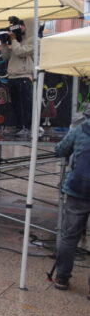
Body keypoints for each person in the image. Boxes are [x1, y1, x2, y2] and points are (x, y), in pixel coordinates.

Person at [52, 113, 90, 296]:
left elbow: (60, 150)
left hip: (78, 189)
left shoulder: (80, 127)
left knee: (69, 236)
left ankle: (62, 277)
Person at [0, 17, 35, 137]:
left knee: (26, 104)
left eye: (22, 25)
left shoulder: (34, 40)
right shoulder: (17, 40)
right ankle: (19, 126)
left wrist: (14, 40)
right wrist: (4, 43)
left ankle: (28, 127)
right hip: (12, 77)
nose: (20, 28)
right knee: (15, 105)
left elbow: (21, 52)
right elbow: (6, 56)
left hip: (24, 76)